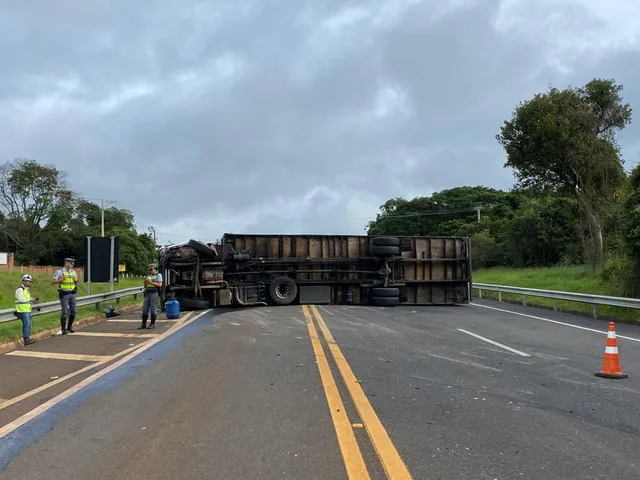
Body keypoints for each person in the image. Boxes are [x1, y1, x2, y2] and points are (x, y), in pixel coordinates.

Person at [52, 257, 78, 335]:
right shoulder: (60, 272)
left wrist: (76, 280)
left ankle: (69, 327)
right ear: (67, 263)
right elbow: (53, 282)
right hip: (64, 294)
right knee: (65, 312)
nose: (73, 265)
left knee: (73, 311)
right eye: (71, 263)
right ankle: (63, 329)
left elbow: (76, 281)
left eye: (73, 263)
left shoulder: (73, 272)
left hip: (72, 293)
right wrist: (61, 279)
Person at [15, 274, 39, 345]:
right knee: (26, 324)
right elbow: (21, 299)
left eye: (28, 281)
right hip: (22, 310)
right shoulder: (20, 289)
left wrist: (32, 300)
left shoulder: (26, 290)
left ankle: (28, 337)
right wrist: (30, 299)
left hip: (27, 309)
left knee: (28, 324)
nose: (27, 283)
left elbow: (26, 299)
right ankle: (26, 339)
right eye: (25, 281)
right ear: (23, 281)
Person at [139, 263, 163, 330]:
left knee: (153, 308)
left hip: (154, 292)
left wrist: (151, 282)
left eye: (151, 269)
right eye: (149, 269)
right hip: (148, 292)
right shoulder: (149, 275)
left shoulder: (158, 275)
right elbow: (145, 286)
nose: (150, 270)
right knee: (145, 308)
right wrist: (145, 281)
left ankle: (152, 324)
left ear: (155, 269)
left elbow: (160, 285)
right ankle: (143, 324)